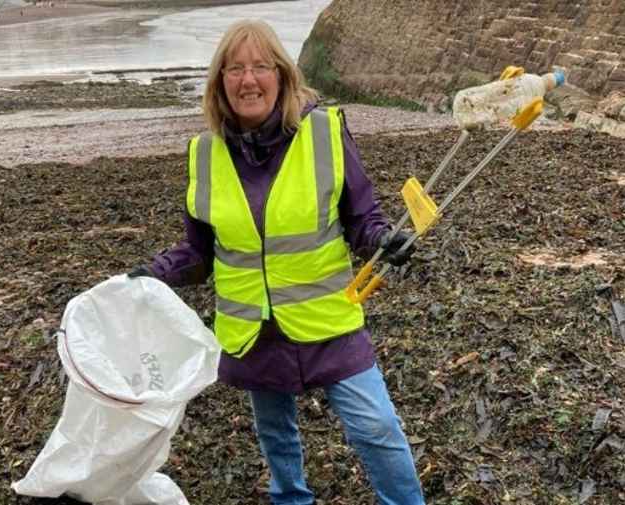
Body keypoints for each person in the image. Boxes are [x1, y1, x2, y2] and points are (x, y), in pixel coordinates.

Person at [130, 19, 425, 505]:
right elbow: (199, 253)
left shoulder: (325, 133)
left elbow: (361, 220)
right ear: (220, 83)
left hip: (328, 321)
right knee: (276, 435)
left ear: (283, 76)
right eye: (235, 69)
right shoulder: (203, 155)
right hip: (254, 329)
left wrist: (382, 242)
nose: (249, 80)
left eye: (261, 67)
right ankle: (290, 499)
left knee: (377, 428)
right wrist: (151, 274)